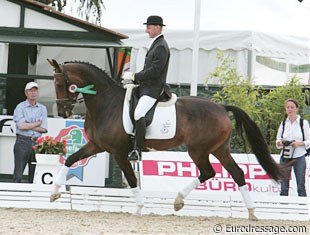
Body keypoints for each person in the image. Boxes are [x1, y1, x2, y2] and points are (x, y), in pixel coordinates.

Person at [122, 15, 171, 162]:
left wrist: (135, 76)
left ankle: (137, 150)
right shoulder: (155, 44)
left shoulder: (161, 46)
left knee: (139, 113)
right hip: (144, 87)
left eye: (149, 27)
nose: (146, 30)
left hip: (153, 89)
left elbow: (155, 71)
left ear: (157, 27)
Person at [13, 81, 48, 183]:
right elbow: (21, 126)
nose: (33, 93)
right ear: (26, 93)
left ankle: (33, 197)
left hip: (37, 143)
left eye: (35, 90)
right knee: (18, 174)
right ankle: (15, 195)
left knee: (35, 175)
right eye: (30, 91)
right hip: (22, 142)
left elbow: (44, 129)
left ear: (38, 93)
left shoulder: (43, 108)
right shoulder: (20, 107)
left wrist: (28, 124)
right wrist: (37, 123)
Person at [276, 98, 309, 197]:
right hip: (285, 155)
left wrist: (298, 144)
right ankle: (283, 210)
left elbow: (309, 140)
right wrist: (281, 143)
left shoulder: (303, 123)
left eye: (292, 107)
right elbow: (277, 140)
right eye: (288, 107)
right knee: (284, 186)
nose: (290, 109)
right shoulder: (283, 123)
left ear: (296, 109)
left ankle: (303, 210)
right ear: (285, 109)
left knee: (300, 185)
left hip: (299, 155)